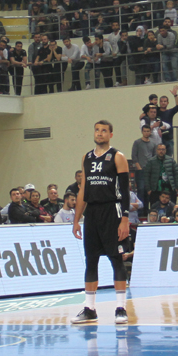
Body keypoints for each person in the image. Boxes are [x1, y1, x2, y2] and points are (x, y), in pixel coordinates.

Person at [70, 120, 131, 325]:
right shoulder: (86, 158)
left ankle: (121, 308)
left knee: (116, 259)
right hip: (92, 214)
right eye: (97, 130)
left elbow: (125, 190)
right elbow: (83, 191)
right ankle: (89, 309)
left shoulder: (117, 156)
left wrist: (124, 219)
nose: (99, 133)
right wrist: (76, 220)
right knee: (91, 260)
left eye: (104, 131)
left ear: (110, 134)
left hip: (112, 210)